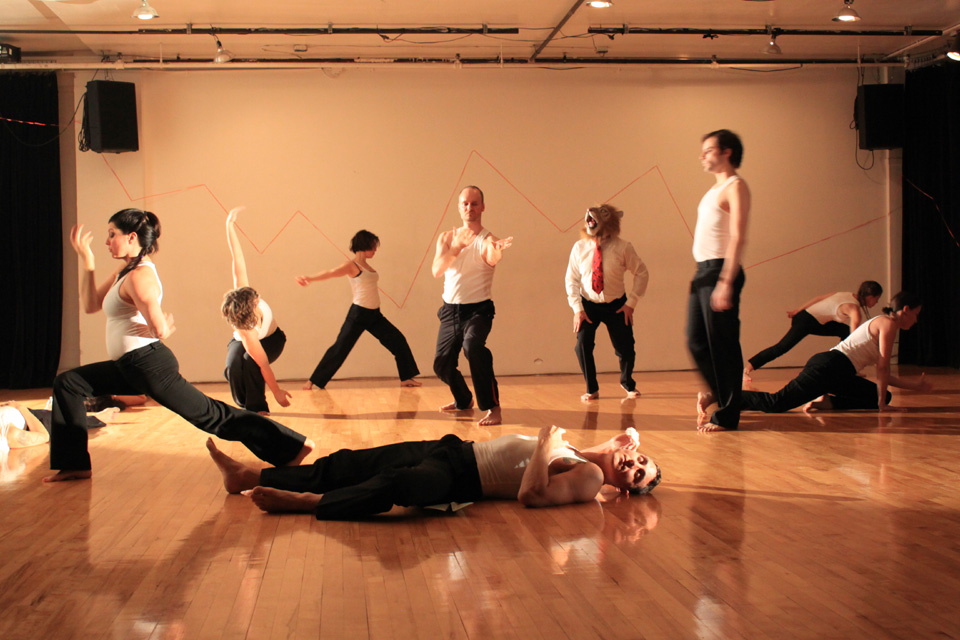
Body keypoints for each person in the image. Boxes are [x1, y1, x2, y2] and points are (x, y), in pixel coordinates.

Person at [45, 208, 314, 483]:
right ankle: (75, 464)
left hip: (148, 366)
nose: (107, 241)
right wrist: (88, 262)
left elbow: (159, 329)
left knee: (211, 416)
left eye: (112, 234)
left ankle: (292, 446)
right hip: (128, 366)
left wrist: (162, 326)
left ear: (132, 237)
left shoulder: (140, 276)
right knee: (68, 383)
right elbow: (91, 304)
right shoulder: (124, 271)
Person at [206, 425, 662, 519]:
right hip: (453, 450)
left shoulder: (591, 479)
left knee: (394, 485)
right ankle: (249, 477)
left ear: (626, 491)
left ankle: (310, 503)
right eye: (642, 460)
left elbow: (532, 495)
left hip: (463, 481)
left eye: (639, 476)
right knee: (350, 463)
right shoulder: (584, 451)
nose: (634, 466)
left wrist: (544, 442)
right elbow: (610, 448)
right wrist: (615, 441)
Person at [740, 291, 932, 414]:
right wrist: (882, 406)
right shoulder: (887, 324)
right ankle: (728, 397)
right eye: (916, 314)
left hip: (840, 372)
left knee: (883, 396)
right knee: (776, 403)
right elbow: (883, 368)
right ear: (905, 310)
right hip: (828, 367)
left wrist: (913, 387)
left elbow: (884, 374)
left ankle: (827, 403)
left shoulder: (884, 323)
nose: (916, 320)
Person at [296, 230, 420, 390]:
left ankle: (406, 378)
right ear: (364, 245)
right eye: (373, 246)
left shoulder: (368, 266)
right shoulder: (352, 266)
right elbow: (331, 273)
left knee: (398, 340)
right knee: (340, 349)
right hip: (358, 314)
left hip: (375, 315)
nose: (375, 250)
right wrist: (310, 278)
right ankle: (312, 381)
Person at [431, 186, 512, 427]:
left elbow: (492, 256)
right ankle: (464, 399)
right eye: (465, 203)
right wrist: (457, 246)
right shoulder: (446, 238)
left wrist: (496, 253)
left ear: (482, 207)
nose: (469, 208)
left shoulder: (489, 240)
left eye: (474, 203)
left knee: (473, 347)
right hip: (450, 311)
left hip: (478, 311)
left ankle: (493, 408)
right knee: (441, 364)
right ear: (459, 207)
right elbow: (437, 270)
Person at [687, 129, 751, 432]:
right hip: (702, 273)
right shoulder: (712, 191)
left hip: (719, 271)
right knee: (696, 341)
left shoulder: (736, 186)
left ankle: (728, 415)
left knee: (723, 345)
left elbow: (738, 237)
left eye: (709, 150)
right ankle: (721, 392)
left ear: (727, 152)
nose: (702, 156)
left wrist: (726, 281)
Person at [565, 203, 650, 402]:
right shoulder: (579, 247)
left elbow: (641, 273)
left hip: (617, 305)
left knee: (626, 348)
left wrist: (631, 303)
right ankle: (591, 388)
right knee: (582, 345)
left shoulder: (623, 247)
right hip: (588, 304)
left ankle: (627, 383)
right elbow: (571, 279)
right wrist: (577, 309)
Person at [221, 207, 292, 414]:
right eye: (256, 299)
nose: (259, 297)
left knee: (250, 363)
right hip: (248, 339)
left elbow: (237, 259)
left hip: (273, 340)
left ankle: (257, 408)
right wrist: (277, 390)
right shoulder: (246, 331)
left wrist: (229, 225)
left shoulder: (242, 291)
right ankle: (244, 404)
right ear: (251, 307)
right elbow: (264, 365)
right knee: (233, 366)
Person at [744, 280, 883, 379]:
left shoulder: (846, 294)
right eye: (877, 299)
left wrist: (798, 310)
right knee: (782, 347)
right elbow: (853, 339)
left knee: (844, 331)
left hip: (812, 320)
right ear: (870, 296)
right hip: (806, 321)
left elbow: (818, 298)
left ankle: (845, 368)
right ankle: (748, 368)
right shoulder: (854, 310)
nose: (876, 302)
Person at [1, 401, 118, 451]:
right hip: (38, 422)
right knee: (77, 422)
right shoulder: (10, 435)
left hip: (22, 414)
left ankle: (50, 410)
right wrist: (21, 408)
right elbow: (43, 436)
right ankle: (99, 418)